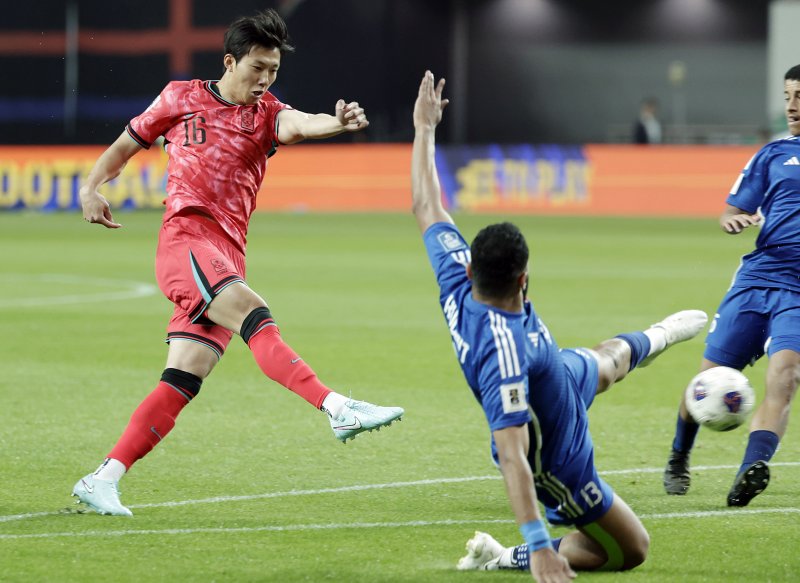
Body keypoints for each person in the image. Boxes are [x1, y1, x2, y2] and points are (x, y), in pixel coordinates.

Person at [72, 9, 404, 517]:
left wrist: (335, 123)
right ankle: (338, 407)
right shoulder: (179, 98)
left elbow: (300, 123)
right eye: (257, 68)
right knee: (254, 314)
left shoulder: (268, 113)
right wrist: (90, 189)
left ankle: (103, 478)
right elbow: (123, 148)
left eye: (273, 70)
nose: (265, 79)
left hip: (226, 255)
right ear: (230, 62)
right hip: (186, 241)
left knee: (183, 379)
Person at [411, 71, 707, 582]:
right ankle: (505, 555)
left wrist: (424, 129)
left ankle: (661, 334)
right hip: (556, 451)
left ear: (470, 268)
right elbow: (512, 454)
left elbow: (426, 205)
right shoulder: (502, 354)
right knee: (630, 549)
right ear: (524, 278)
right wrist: (537, 546)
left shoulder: (457, 279)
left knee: (610, 360)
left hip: (554, 372)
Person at [663, 64, 800, 506]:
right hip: (759, 277)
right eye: (787, 97)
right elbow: (733, 209)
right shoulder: (773, 154)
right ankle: (679, 455)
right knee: (709, 379)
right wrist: (733, 220)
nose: (791, 107)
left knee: (787, 375)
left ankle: (751, 469)